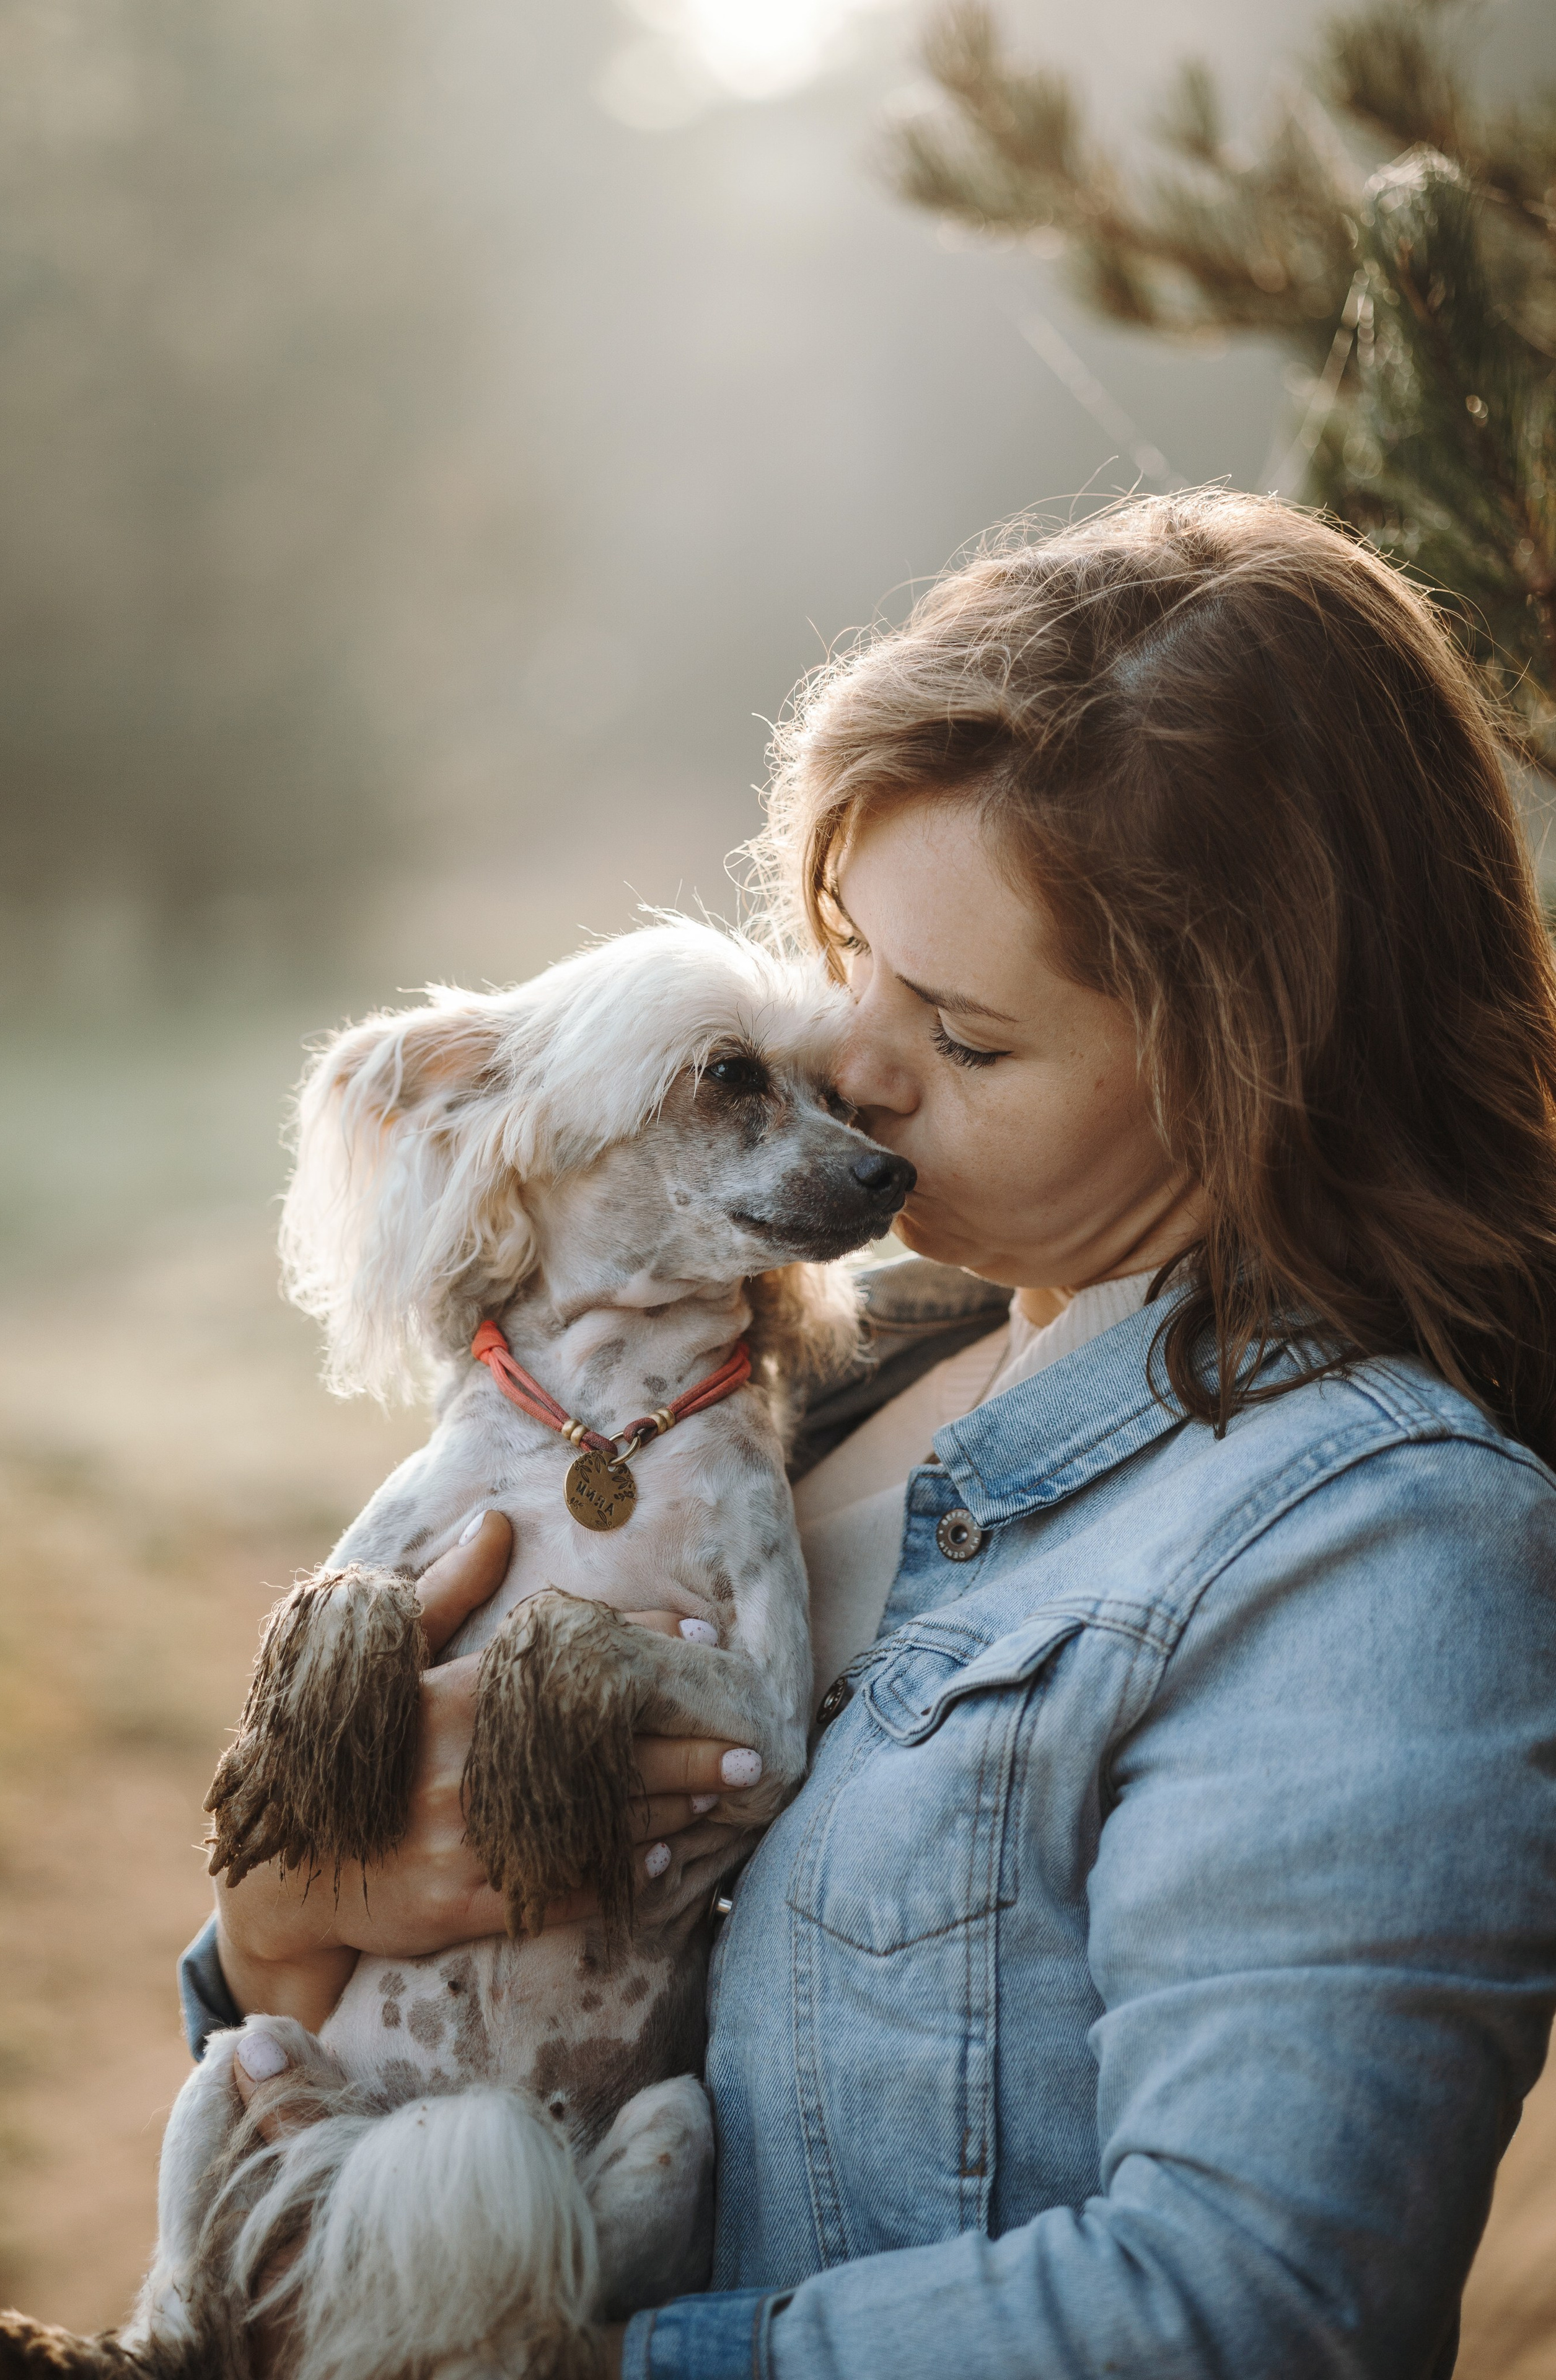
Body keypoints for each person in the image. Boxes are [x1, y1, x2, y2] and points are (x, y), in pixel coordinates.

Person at [187, 491, 1556, 2379]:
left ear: (1256, 1067)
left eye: (966, 1037)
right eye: (854, 961)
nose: (858, 1069)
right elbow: (348, 2003)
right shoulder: (793, 1372)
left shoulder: (1377, 1552)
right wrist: (278, 1929)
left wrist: (600, 2365)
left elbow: (1252, 2314)